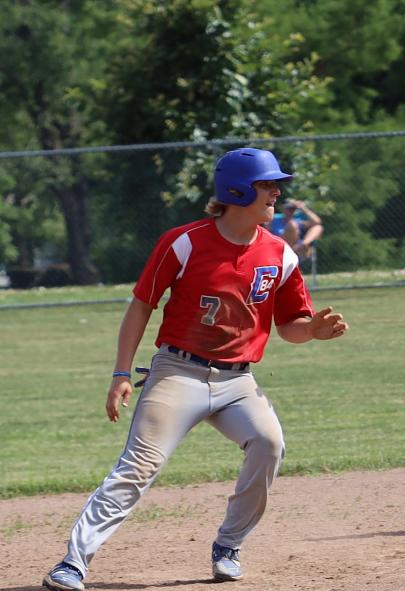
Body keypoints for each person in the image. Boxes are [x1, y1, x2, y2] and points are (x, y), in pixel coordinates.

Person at [42, 148, 349, 591]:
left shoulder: (279, 253)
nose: (276, 192)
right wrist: (120, 373)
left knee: (268, 443)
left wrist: (313, 331)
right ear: (238, 190)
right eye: (267, 185)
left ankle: (228, 545)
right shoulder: (184, 242)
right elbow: (141, 305)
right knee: (139, 466)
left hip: (238, 381)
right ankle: (73, 562)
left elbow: (290, 326)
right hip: (178, 373)